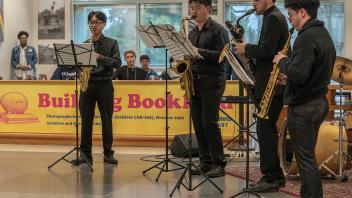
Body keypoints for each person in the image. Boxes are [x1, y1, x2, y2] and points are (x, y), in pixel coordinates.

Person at [273, 1, 335, 197]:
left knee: (305, 160)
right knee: (307, 158)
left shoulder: (306, 37)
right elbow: (309, 74)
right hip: (318, 102)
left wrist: (282, 60)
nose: (290, 19)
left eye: (291, 14)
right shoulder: (323, 34)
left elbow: (299, 74)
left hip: (304, 107)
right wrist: (289, 79)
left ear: (302, 12)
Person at [234, 0, 288, 192]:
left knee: (265, 132)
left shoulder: (273, 18)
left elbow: (267, 51)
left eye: (256, 0)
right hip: (268, 84)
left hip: (270, 85)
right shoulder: (272, 16)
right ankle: (275, 176)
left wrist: (245, 48)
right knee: (266, 132)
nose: (253, 3)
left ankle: (271, 177)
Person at [188, 0, 229, 178]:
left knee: (209, 123)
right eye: (192, 8)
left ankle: (219, 163)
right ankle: (205, 162)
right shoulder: (191, 32)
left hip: (213, 81)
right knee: (198, 122)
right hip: (195, 82)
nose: (193, 11)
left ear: (208, 9)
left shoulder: (218, 30)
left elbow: (222, 56)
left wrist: (198, 51)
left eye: (197, 8)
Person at [75, 11, 121, 165]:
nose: (94, 25)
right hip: (88, 84)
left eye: (98, 22)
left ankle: (108, 153)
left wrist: (100, 57)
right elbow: (77, 65)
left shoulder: (111, 42)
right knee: (86, 120)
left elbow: (117, 63)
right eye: (91, 22)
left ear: (104, 24)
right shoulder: (84, 43)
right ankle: (85, 155)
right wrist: (80, 71)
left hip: (105, 84)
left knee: (106, 119)